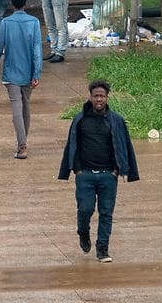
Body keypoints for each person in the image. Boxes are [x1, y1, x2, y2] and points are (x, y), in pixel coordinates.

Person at [57, 79, 140, 263]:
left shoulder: (115, 120)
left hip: (108, 176)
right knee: (85, 209)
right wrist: (76, 170)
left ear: (107, 98)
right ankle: (83, 232)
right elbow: (72, 146)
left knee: (106, 213)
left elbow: (125, 145)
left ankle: (102, 249)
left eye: (102, 96)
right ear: (90, 97)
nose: (99, 100)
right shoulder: (80, 120)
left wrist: (117, 171)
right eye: (96, 96)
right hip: (85, 175)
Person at [0, 0, 42, 159]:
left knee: (16, 106)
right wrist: (36, 73)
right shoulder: (34, 22)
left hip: (11, 72)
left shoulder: (6, 23)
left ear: (11, 2)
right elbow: (37, 51)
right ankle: (23, 142)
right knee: (26, 106)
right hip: (29, 72)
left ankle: (22, 145)